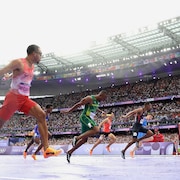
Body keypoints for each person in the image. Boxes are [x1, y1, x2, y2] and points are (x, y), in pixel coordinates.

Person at [0, 44, 61, 158]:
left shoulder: (32, 66)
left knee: (41, 115)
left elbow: (19, 74)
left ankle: (47, 149)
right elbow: (3, 70)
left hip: (24, 99)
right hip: (13, 98)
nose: (41, 57)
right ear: (34, 54)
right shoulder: (18, 62)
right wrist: (8, 75)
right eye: (40, 54)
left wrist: (10, 76)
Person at [61, 90, 108, 163]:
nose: (104, 100)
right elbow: (79, 104)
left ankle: (70, 152)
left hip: (89, 119)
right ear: (101, 95)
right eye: (104, 98)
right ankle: (76, 138)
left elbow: (95, 107)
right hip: (85, 117)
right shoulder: (89, 98)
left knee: (84, 140)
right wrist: (69, 111)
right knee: (96, 129)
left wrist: (100, 111)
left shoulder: (97, 101)